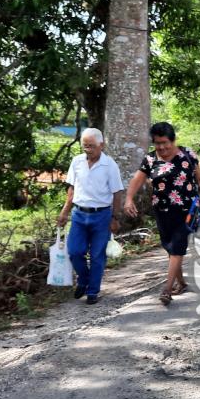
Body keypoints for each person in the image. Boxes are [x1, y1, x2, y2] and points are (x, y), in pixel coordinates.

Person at [123, 122, 200, 306]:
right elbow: (137, 179)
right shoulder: (150, 160)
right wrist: (128, 199)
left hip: (188, 210)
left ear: (173, 140)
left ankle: (167, 289)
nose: (162, 147)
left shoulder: (187, 154)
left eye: (165, 142)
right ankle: (181, 283)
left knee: (177, 246)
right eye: (157, 143)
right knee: (170, 247)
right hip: (162, 211)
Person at [57, 128, 124, 305]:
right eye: (85, 146)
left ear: (101, 145)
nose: (88, 149)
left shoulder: (110, 165)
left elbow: (117, 193)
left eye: (91, 146)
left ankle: (93, 290)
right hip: (79, 214)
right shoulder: (77, 162)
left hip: (101, 216)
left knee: (96, 255)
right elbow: (71, 189)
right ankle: (84, 280)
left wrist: (115, 218)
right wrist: (64, 211)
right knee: (74, 251)